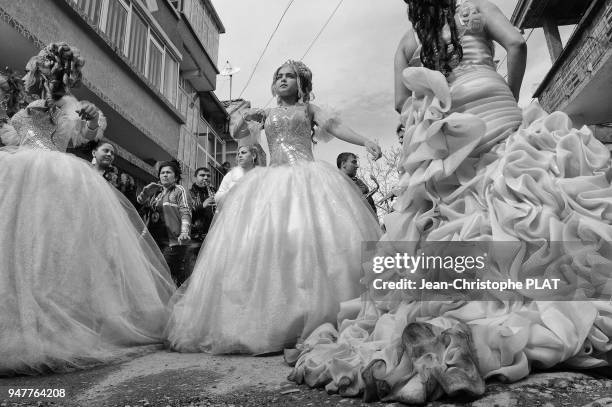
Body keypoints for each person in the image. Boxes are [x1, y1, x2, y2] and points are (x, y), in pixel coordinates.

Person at [288, 0, 612, 404]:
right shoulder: (477, 8)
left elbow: (398, 102)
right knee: (517, 189)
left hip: (450, 121)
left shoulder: (410, 39)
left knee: (458, 208)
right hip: (494, 100)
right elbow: (516, 44)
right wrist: (507, 91)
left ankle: (463, 312)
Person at [166, 60, 383, 355]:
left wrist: (365, 140)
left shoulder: (308, 110)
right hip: (273, 181)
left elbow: (336, 126)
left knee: (310, 240)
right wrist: (245, 116)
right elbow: (237, 131)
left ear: (302, 84)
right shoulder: (266, 113)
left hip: (308, 177)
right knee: (271, 245)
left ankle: (319, 313)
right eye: (279, 76)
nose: (283, 80)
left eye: (290, 76)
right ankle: (277, 317)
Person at [0, 43, 175, 375]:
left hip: (51, 178)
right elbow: (14, 137)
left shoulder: (69, 104)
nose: (42, 72)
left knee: (48, 251)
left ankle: (50, 325)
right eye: (41, 67)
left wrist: (91, 121)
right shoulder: (26, 109)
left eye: (50, 68)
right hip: (16, 177)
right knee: (14, 249)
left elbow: (82, 132)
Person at [138, 161, 192, 286]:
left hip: (173, 242)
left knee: (163, 277)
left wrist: (184, 232)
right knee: (149, 274)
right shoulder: (157, 192)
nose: (165, 175)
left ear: (176, 176)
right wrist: (146, 192)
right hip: (154, 240)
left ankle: (167, 304)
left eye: (168, 172)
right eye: (162, 173)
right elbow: (142, 204)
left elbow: (186, 212)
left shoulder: (180, 190)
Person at [337, 152, 377, 216]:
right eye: (353, 162)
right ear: (343, 164)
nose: (357, 166)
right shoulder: (334, 183)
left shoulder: (359, 181)